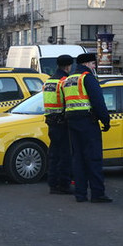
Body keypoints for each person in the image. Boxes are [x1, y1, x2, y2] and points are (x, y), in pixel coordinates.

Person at [63, 53, 112, 203]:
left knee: (78, 159)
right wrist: (105, 120)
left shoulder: (69, 79)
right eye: (93, 64)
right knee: (93, 158)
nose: (94, 67)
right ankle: (97, 194)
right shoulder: (87, 78)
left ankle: (80, 194)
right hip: (88, 122)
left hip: (72, 122)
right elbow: (98, 102)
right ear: (87, 64)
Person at [43, 54, 74, 194]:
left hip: (51, 121)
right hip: (62, 122)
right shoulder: (64, 81)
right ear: (68, 66)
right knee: (64, 155)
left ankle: (52, 184)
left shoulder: (48, 81)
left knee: (54, 154)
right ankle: (63, 184)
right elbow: (68, 101)